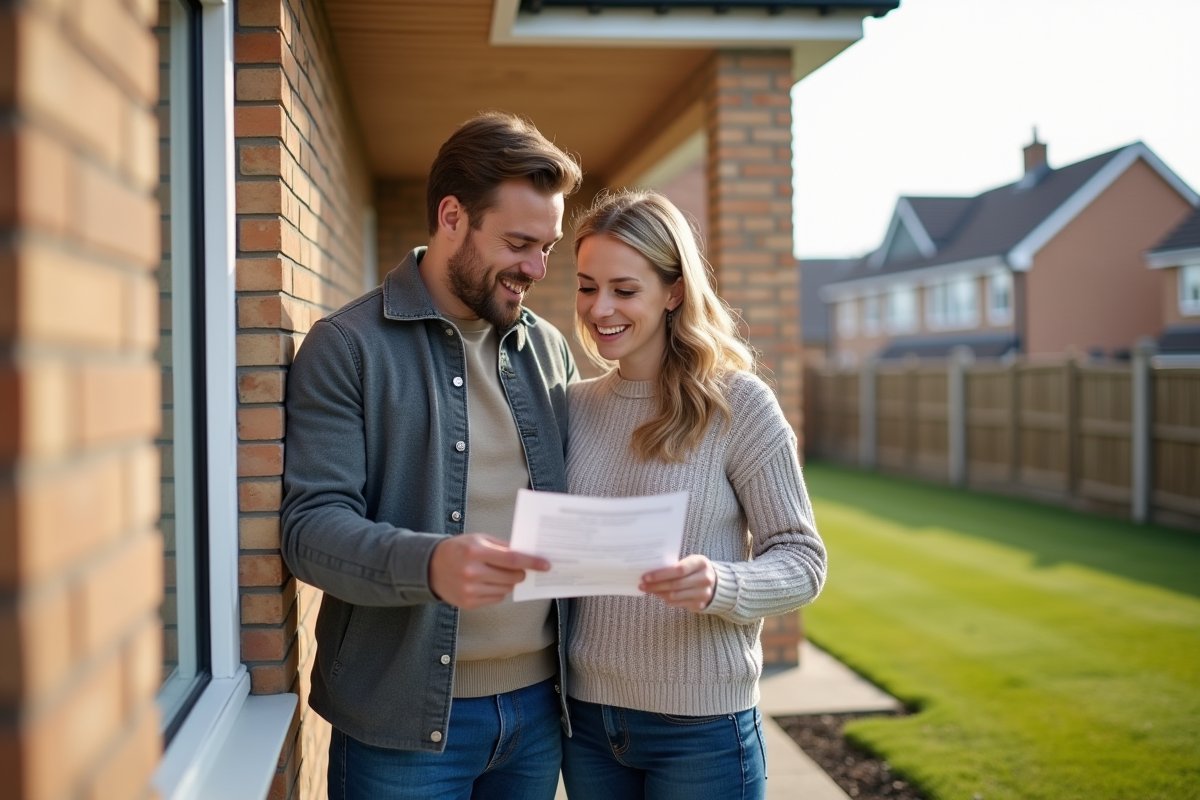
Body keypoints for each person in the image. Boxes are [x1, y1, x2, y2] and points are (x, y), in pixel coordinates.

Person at [280, 112, 582, 800]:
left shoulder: (549, 349)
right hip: (402, 726)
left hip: (537, 713)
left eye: (548, 247)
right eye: (518, 243)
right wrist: (431, 564)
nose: (536, 269)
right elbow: (308, 531)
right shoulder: (349, 346)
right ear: (452, 217)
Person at [561, 190, 828, 800]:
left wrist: (720, 584)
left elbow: (804, 561)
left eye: (624, 290)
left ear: (673, 291)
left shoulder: (739, 406)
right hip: (587, 727)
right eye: (586, 286)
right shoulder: (572, 407)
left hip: (703, 731)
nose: (601, 308)